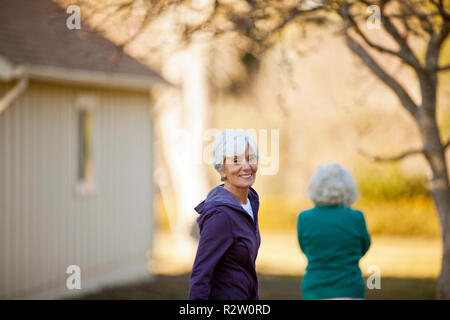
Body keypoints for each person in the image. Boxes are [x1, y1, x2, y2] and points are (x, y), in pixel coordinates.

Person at [189, 129, 260, 300]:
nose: (246, 166)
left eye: (250, 158)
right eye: (236, 161)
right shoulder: (221, 216)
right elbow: (200, 275)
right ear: (222, 170)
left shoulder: (251, 201)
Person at [297, 163, 371, 300]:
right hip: (350, 289)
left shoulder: (304, 218)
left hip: (315, 290)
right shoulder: (357, 217)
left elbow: (304, 248)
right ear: (349, 189)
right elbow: (364, 247)